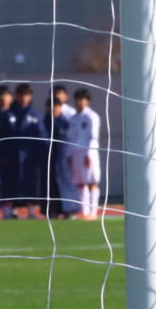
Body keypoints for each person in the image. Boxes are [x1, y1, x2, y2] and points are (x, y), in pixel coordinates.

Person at [13, 84, 46, 219]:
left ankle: (31, 210)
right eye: (21, 94)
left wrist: (41, 153)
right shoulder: (10, 113)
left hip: (31, 155)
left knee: (30, 182)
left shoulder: (34, 114)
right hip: (14, 155)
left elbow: (42, 134)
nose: (24, 98)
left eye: (26, 95)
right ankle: (13, 210)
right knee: (13, 182)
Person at [68, 88, 101, 219]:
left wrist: (89, 154)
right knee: (80, 183)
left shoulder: (92, 116)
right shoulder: (73, 118)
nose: (79, 102)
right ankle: (84, 211)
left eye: (82, 99)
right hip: (76, 153)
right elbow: (70, 138)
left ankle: (93, 212)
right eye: (77, 99)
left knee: (92, 182)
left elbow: (93, 137)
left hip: (88, 152)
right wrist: (69, 155)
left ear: (87, 101)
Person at [42, 97, 73, 219]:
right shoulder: (43, 121)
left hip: (63, 158)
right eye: (50, 106)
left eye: (56, 106)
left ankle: (67, 210)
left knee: (65, 184)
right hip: (48, 158)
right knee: (50, 185)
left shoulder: (66, 122)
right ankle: (52, 211)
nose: (53, 109)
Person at [0, 85, 18, 220]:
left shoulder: (16, 113)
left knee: (12, 183)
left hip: (14, 155)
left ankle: (11, 209)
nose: (4, 99)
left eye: (6, 96)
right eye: (0, 96)